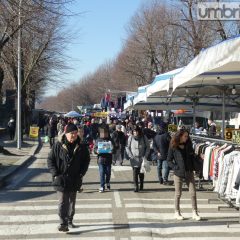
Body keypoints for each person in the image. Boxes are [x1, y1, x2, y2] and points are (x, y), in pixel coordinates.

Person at [47, 123, 90, 232]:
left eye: (76, 133)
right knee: (62, 202)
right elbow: (50, 160)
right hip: (61, 178)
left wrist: (81, 173)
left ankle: (70, 220)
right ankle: (63, 223)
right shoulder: (58, 145)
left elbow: (86, 160)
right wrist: (55, 174)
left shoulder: (81, 145)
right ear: (66, 134)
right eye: (72, 133)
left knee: (71, 201)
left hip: (75, 178)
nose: (74, 135)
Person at [167, 129, 201, 221]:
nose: (187, 138)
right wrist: (175, 167)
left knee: (193, 193)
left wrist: (198, 157)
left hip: (189, 171)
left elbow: (192, 155)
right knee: (178, 193)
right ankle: (176, 212)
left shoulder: (189, 145)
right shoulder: (173, 145)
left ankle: (195, 212)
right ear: (180, 136)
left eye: (187, 136)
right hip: (178, 173)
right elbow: (168, 160)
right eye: (185, 136)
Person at [126, 125, 150, 192]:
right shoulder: (130, 137)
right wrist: (130, 155)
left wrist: (145, 156)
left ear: (139, 131)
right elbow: (127, 147)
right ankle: (136, 186)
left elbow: (148, 147)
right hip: (134, 158)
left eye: (136, 131)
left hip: (142, 157)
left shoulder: (143, 137)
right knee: (135, 172)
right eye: (134, 131)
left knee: (141, 172)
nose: (135, 133)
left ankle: (141, 184)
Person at [95, 128, 115, 192]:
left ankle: (108, 182)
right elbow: (94, 148)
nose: (103, 134)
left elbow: (115, 148)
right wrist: (96, 151)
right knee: (102, 173)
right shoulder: (98, 140)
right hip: (100, 159)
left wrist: (112, 150)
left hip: (108, 159)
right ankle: (102, 186)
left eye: (105, 133)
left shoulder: (110, 140)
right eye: (102, 133)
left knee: (108, 173)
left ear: (107, 133)